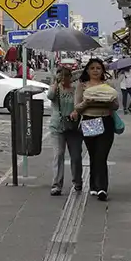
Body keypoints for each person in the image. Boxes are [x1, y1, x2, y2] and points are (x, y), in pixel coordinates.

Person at [73, 58, 121, 201]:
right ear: (87, 70)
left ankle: (102, 188)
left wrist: (109, 101)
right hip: (90, 121)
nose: (95, 71)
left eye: (98, 68)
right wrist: (87, 102)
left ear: (102, 71)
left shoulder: (108, 85)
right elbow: (77, 107)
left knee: (102, 155)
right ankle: (93, 185)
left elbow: (116, 106)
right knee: (94, 155)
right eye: (92, 68)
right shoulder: (82, 86)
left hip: (106, 121)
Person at [46, 67, 82, 196]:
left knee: (76, 156)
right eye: (62, 76)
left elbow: (81, 104)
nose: (64, 79)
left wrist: (76, 111)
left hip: (73, 127)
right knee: (59, 154)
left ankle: (77, 181)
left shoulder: (75, 90)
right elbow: (49, 96)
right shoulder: (55, 90)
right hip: (57, 127)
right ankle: (57, 185)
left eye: (67, 76)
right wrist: (55, 84)